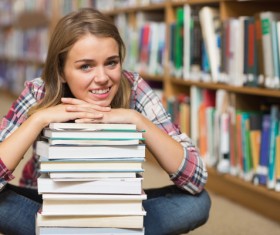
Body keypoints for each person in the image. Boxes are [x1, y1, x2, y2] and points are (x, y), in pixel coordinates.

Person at [0, 8, 211, 235]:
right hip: (51, 204)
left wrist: (136, 119)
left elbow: (196, 178)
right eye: (86, 66)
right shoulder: (40, 91)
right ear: (60, 71)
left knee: (198, 203)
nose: (102, 78)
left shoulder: (133, 88)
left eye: (111, 63)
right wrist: (39, 119)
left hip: (118, 203)